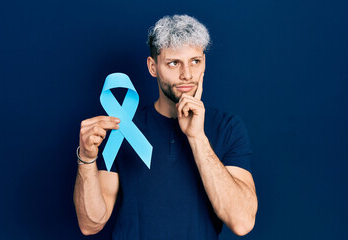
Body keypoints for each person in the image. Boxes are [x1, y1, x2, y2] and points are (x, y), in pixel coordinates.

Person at [73, 14, 258, 239]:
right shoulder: (123, 128)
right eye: (173, 63)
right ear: (153, 67)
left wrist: (197, 137)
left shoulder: (228, 128)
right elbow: (91, 224)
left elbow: (242, 222)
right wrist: (86, 158)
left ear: (204, 64)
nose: (187, 74)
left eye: (195, 61)